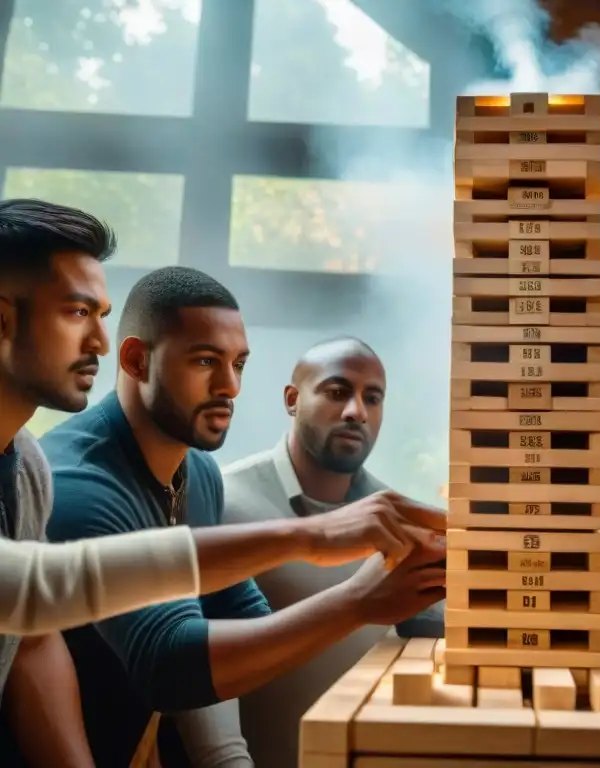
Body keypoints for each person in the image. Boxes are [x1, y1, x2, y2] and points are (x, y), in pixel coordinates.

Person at [0, 199, 444, 767]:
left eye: (239, 365)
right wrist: (340, 577)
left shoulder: (42, 468)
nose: (231, 387)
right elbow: (167, 662)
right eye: (76, 313)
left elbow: (36, 631)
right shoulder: (76, 481)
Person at [220, 335, 444, 767]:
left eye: (372, 398)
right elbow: (188, 666)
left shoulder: (399, 523)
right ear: (292, 399)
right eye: (338, 392)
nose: (356, 411)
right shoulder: (226, 501)